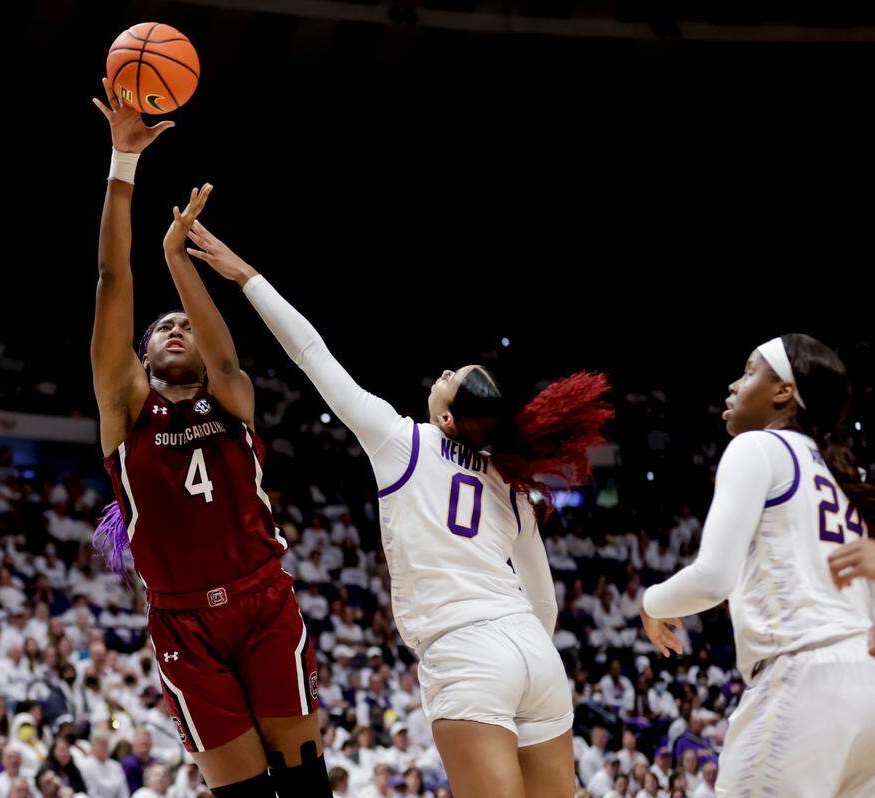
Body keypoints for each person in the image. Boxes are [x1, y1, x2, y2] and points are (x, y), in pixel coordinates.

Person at [182, 204, 613, 798]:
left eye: (451, 375)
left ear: (445, 415)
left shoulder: (402, 440)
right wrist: (522, 648)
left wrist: (245, 276)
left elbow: (311, 354)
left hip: (466, 651)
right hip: (536, 653)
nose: (442, 371)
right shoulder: (509, 479)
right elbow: (545, 605)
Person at [88, 80, 325, 798]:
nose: (176, 328)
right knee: (244, 789)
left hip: (263, 600)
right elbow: (109, 277)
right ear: (142, 355)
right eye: (161, 328)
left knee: (304, 779)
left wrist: (180, 261)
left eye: (184, 323)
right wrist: (122, 166)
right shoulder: (124, 408)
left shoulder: (232, 397)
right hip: (182, 620)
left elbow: (224, 357)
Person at [640, 334, 875, 797]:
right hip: (864, 685)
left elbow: (713, 578)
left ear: (783, 391)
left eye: (749, 372)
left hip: (803, 679)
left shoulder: (759, 448)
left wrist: (650, 602)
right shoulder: (842, 475)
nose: (733, 384)